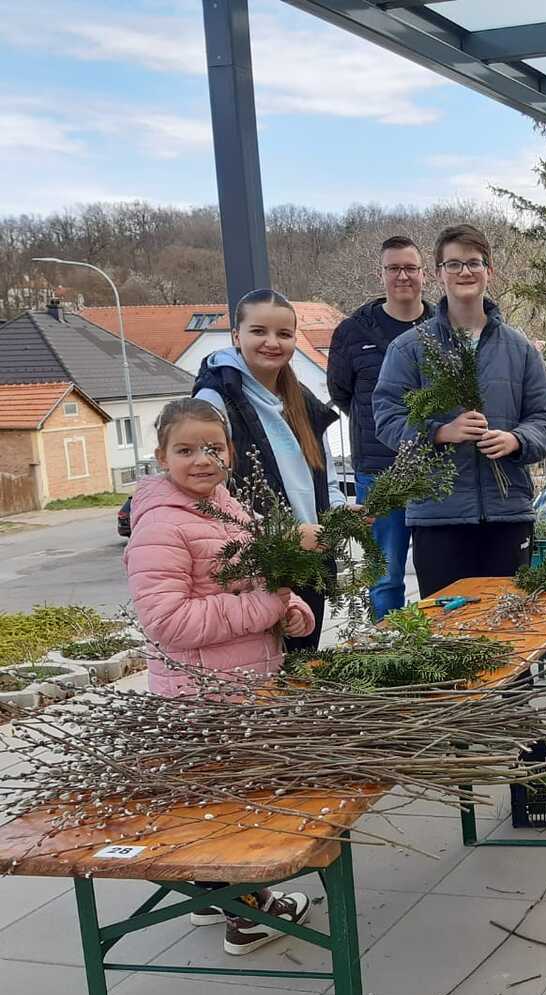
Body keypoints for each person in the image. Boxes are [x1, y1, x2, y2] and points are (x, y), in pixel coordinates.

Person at [124, 398, 314, 955]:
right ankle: (249, 914)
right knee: (232, 804)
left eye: (213, 448)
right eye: (185, 450)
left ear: (230, 451)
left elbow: (259, 579)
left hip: (244, 683)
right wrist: (268, 606)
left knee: (227, 794)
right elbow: (168, 621)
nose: (202, 459)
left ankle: (212, 894)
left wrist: (291, 608)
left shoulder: (228, 508)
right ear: (161, 456)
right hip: (203, 694)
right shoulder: (161, 523)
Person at [373, 223, 546, 594]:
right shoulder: (410, 348)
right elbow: (387, 418)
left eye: (474, 263)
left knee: (508, 619)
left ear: (489, 271)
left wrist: (517, 440)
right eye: (454, 264)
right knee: (446, 622)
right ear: (439, 273)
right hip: (438, 517)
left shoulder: (519, 348)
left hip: (507, 514)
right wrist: (440, 432)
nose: (465, 272)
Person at [193, 289, 347, 650]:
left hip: (308, 560)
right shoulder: (215, 401)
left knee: (302, 665)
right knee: (264, 670)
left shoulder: (300, 398)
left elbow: (323, 471)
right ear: (236, 336)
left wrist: (338, 514)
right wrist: (281, 535)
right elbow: (206, 491)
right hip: (255, 567)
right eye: (259, 331)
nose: (272, 342)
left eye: (284, 334)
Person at [327, 235, 434, 619]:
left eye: (410, 268)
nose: (403, 276)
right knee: (385, 575)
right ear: (381, 274)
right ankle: (386, 645)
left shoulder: (442, 326)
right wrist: (379, 426)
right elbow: (341, 393)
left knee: (439, 571)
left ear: (424, 274)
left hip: (435, 469)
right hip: (378, 471)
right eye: (394, 268)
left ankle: (438, 645)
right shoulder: (353, 331)